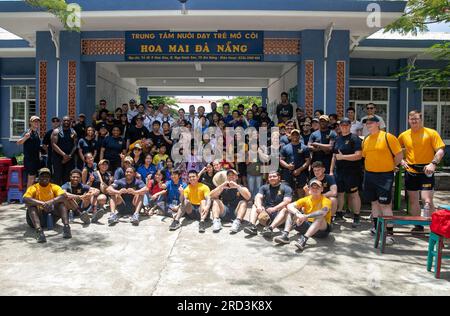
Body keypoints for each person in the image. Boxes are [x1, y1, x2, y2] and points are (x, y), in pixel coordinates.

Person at [398, 110, 446, 232]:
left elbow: (440, 150)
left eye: (416, 119)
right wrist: (401, 161)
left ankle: (434, 227)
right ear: (408, 120)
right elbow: (396, 150)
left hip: (427, 170)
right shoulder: (404, 135)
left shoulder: (431, 133)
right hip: (410, 170)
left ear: (421, 120)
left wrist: (433, 163)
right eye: (411, 119)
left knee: (427, 201)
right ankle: (418, 225)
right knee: (413, 200)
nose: (414, 121)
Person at [362, 115, 403, 245]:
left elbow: (399, 155)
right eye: (366, 123)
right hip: (369, 175)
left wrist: (392, 167)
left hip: (385, 175)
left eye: (371, 122)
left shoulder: (388, 137)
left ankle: (390, 234)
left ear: (378, 124)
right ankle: (376, 228)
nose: (368, 125)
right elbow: (365, 156)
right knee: (374, 203)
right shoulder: (366, 139)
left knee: (385, 204)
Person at [274, 179, 332, 251]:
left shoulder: (326, 200)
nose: (315, 189)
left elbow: (323, 212)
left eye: (318, 187)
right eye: (313, 187)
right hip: (305, 225)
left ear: (322, 189)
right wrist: (298, 214)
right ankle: (285, 235)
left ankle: (304, 239)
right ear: (309, 188)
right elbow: (289, 206)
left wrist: (305, 216)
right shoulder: (306, 199)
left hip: (321, 231)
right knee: (291, 211)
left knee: (320, 216)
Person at [330, 118, 363, 226]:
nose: (344, 127)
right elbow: (334, 156)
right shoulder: (337, 138)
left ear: (350, 126)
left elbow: (359, 155)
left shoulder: (355, 138)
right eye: (342, 125)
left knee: (354, 194)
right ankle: (339, 214)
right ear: (339, 126)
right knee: (340, 194)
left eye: (346, 125)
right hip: (339, 172)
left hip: (352, 172)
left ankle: (357, 217)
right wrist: (331, 171)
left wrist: (343, 157)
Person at [23, 168, 70, 243]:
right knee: (31, 206)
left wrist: (51, 202)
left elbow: (63, 196)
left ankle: (67, 227)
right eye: (42, 176)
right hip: (36, 217)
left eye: (47, 176)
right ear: (38, 178)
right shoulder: (33, 187)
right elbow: (25, 199)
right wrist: (42, 203)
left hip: (51, 215)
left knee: (61, 203)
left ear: (50, 178)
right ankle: (39, 232)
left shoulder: (54, 186)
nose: (45, 178)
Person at [244, 171, 292, 237]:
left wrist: (274, 208)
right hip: (266, 215)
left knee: (286, 209)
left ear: (279, 178)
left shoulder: (286, 188)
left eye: (274, 176)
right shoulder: (264, 187)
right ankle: (252, 226)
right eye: (270, 177)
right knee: (255, 206)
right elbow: (258, 197)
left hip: (279, 215)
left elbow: (287, 201)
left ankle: (270, 229)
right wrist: (259, 206)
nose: (272, 178)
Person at [210, 169, 251, 234]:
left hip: (236, 213)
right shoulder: (224, 187)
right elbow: (211, 195)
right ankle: (216, 221)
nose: (231, 176)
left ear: (237, 177)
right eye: (229, 175)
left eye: (233, 175)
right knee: (216, 201)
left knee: (243, 202)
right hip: (225, 211)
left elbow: (248, 197)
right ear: (227, 177)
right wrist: (221, 186)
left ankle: (237, 222)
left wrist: (237, 187)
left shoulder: (241, 187)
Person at [280, 129, 310, 198]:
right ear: (290, 136)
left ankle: (300, 206)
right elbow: (281, 160)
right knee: (288, 189)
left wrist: (299, 169)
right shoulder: (285, 147)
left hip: (302, 172)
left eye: (297, 135)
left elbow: (308, 161)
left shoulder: (304, 147)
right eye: (293, 134)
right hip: (288, 172)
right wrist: (288, 166)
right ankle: (288, 206)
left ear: (299, 136)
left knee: (301, 189)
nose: (295, 136)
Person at [51, 116, 78, 185]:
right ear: (62, 122)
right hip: (58, 158)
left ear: (70, 122)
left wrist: (69, 156)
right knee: (57, 176)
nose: (66, 122)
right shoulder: (56, 131)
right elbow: (53, 145)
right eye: (65, 120)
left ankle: (67, 194)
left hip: (69, 158)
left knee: (68, 177)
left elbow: (75, 145)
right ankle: (56, 194)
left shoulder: (73, 132)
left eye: (68, 121)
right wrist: (64, 155)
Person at [17, 116, 42, 188]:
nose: (36, 123)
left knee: (34, 179)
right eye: (34, 121)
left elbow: (36, 146)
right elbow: (18, 143)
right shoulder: (27, 132)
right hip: (29, 159)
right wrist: (25, 137)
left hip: (36, 159)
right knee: (31, 179)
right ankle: (27, 197)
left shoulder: (36, 133)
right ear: (30, 122)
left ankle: (31, 195)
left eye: (37, 121)